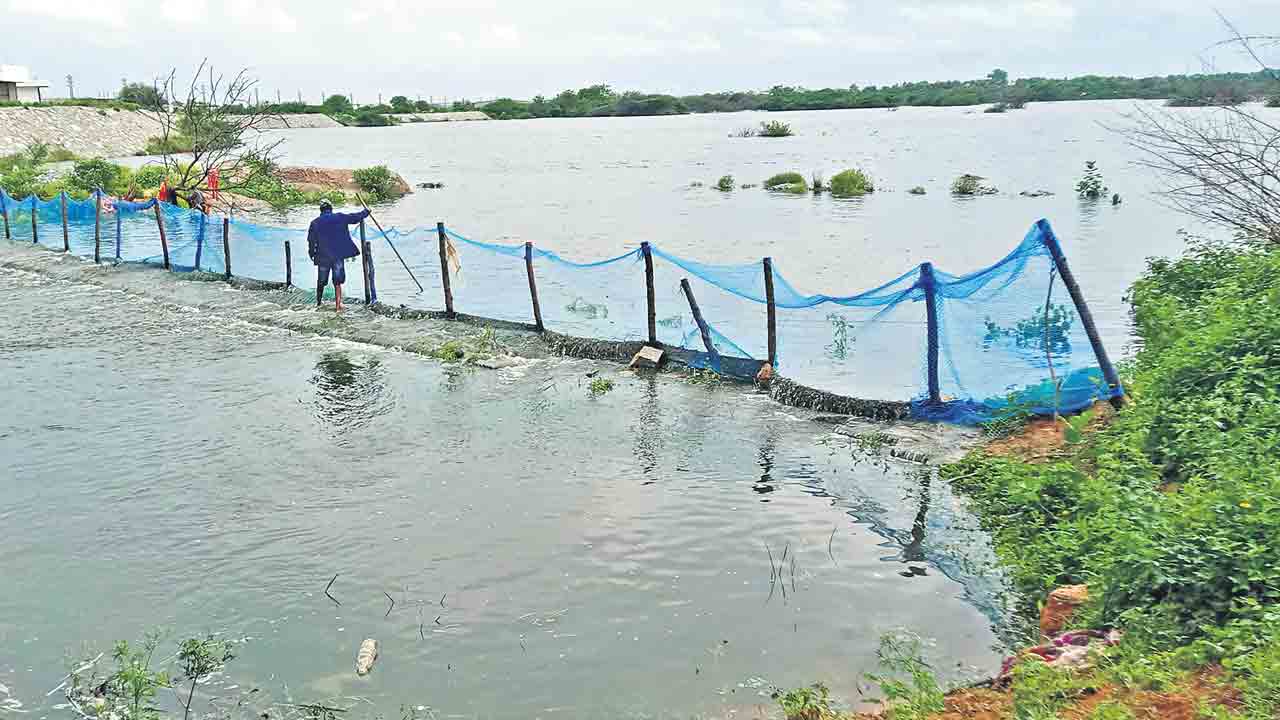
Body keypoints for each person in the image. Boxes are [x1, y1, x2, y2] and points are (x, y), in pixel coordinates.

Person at [306, 200, 368, 312]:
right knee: (337, 281)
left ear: (321, 211)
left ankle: (319, 303)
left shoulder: (315, 222)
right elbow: (354, 217)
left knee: (321, 281)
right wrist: (366, 211)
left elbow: (311, 241)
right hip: (337, 256)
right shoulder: (339, 217)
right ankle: (338, 306)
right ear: (331, 209)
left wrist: (312, 254)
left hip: (323, 256)